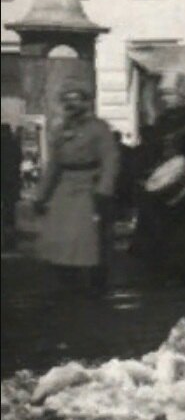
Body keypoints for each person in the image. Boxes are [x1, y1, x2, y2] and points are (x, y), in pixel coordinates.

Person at [32, 84, 121, 297]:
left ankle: (96, 282)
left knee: (88, 239)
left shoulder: (99, 129)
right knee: (60, 237)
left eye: (76, 99)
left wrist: (104, 189)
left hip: (89, 186)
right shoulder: (60, 130)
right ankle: (68, 280)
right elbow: (53, 164)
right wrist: (41, 195)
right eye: (67, 99)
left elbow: (110, 159)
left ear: (86, 102)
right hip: (64, 188)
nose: (72, 104)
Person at [135, 73, 185, 286]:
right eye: (163, 94)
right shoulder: (162, 120)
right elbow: (151, 149)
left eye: (169, 93)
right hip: (166, 183)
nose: (165, 98)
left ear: (182, 95)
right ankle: (167, 269)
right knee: (165, 228)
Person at [1, 123, 22, 249]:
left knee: (7, 210)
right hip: (11, 182)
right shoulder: (14, 145)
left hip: (5, 181)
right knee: (10, 211)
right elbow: (18, 160)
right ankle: (9, 239)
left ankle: (7, 236)